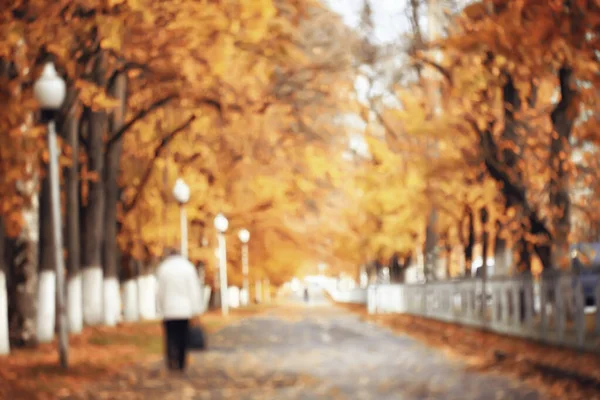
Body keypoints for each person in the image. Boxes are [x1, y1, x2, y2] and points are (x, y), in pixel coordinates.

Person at [156, 248, 202, 371]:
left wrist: (159, 308)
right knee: (183, 337)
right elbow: (193, 290)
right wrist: (195, 309)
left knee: (170, 336)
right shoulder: (188, 268)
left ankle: (171, 360)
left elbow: (159, 291)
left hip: (168, 309)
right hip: (184, 310)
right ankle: (181, 363)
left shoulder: (163, 268)